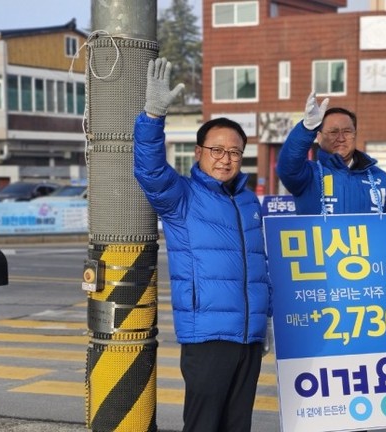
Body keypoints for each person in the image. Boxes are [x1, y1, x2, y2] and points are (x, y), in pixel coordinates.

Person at [133, 57, 273, 432]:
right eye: (217, 150)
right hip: (208, 334)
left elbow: (258, 265)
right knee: (204, 424)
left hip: (248, 334)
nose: (226, 160)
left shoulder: (248, 200)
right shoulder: (181, 196)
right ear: (199, 152)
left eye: (234, 152)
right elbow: (149, 170)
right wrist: (152, 117)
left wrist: (265, 319)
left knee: (237, 424)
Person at [277, 91, 386, 215]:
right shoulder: (308, 175)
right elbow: (287, 168)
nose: (341, 138)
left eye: (347, 132)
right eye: (333, 132)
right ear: (319, 137)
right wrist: (307, 129)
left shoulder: (380, 177)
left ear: (355, 135)